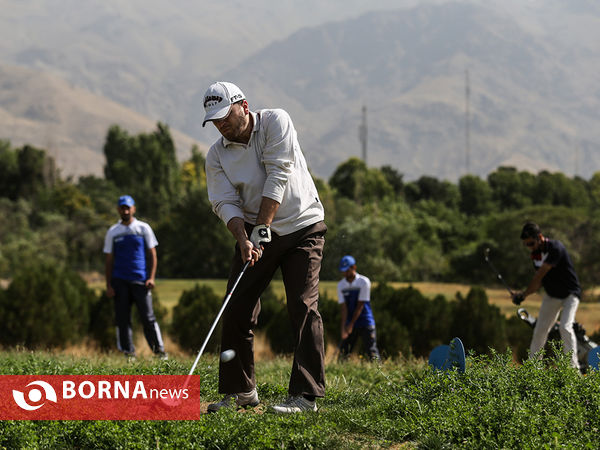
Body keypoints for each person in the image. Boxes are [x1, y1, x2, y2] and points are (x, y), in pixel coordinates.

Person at [202, 81, 327, 413]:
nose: (221, 125)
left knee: (302, 305)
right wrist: (243, 239)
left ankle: (305, 396)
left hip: (303, 226)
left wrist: (260, 230)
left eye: (225, 116)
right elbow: (224, 203)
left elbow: (278, 176)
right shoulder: (216, 155)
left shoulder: (276, 121)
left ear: (243, 106)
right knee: (237, 307)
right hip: (255, 234)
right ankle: (241, 391)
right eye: (214, 121)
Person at [103, 195, 167, 360]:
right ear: (118, 209)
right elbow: (109, 260)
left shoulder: (143, 228)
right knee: (123, 320)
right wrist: (109, 285)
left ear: (133, 209)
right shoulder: (113, 232)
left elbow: (153, 254)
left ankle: (159, 353)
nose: (125, 210)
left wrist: (151, 277)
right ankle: (128, 353)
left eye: (128, 207)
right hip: (120, 282)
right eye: (122, 207)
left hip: (140, 281)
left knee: (148, 318)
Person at [512, 222, 581, 370]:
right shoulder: (535, 256)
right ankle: (533, 370)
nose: (529, 247)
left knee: (565, 327)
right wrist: (521, 296)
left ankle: (573, 370)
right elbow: (539, 284)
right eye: (526, 245)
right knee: (540, 330)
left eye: (531, 243)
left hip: (570, 294)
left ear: (540, 237)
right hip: (552, 296)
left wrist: (523, 294)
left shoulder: (556, 248)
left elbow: (540, 274)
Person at [337, 255, 380, 361]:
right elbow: (344, 308)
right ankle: (340, 372)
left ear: (354, 268)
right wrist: (343, 327)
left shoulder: (364, 282)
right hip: (350, 322)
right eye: (343, 271)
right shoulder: (341, 285)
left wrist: (350, 324)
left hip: (366, 321)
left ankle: (379, 374)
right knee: (343, 353)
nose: (345, 273)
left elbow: (360, 305)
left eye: (347, 270)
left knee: (371, 351)